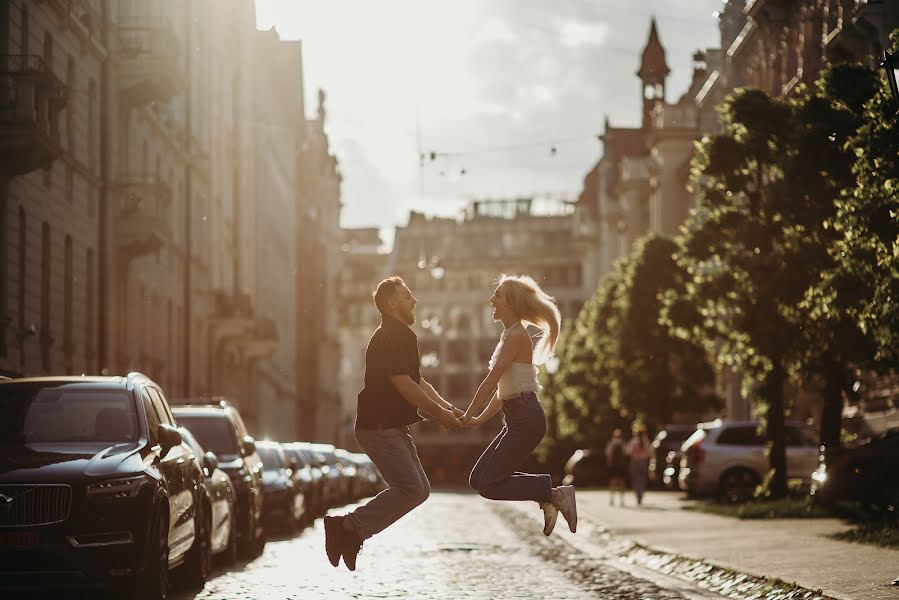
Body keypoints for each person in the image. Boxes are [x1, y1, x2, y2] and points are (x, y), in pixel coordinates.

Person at [324, 276, 464, 571]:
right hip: (378, 427)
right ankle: (345, 527)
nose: (414, 301)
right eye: (407, 296)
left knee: (420, 490)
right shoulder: (389, 335)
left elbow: (418, 381)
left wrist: (448, 408)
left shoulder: (402, 335)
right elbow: (404, 385)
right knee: (411, 489)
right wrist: (441, 416)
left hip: (391, 427)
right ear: (390, 303)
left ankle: (352, 533)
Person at [461, 274, 577, 536]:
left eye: (498, 295)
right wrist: (477, 419)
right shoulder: (508, 335)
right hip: (517, 417)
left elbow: (491, 381)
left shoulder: (516, 337)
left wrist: (468, 413)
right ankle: (550, 496)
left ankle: (553, 494)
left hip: (526, 418)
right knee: (478, 480)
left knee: (489, 484)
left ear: (512, 304)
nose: (492, 299)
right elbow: (504, 390)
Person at [627, 424, 652, 505]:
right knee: (642, 479)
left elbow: (628, 451)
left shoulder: (634, 441)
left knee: (635, 479)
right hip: (643, 462)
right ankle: (640, 494)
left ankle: (638, 494)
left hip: (635, 461)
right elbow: (649, 452)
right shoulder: (646, 441)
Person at [604, 429, 628, 506]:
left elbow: (607, 453)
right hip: (621, 466)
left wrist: (609, 463)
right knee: (621, 483)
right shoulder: (623, 443)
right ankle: (622, 500)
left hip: (613, 466)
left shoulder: (611, 443)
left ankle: (612, 499)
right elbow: (626, 452)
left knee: (613, 482)